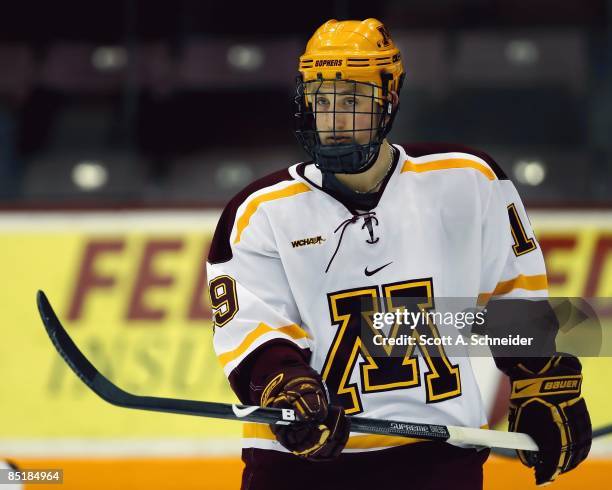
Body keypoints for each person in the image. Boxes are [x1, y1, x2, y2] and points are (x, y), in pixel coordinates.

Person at [206, 18, 591, 489]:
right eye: (321, 101)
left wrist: (538, 377)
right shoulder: (260, 212)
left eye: (351, 100)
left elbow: (512, 300)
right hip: (303, 468)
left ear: (388, 99)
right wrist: (288, 389)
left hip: (438, 458)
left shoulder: (468, 182)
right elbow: (254, 333)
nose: (333, 121)